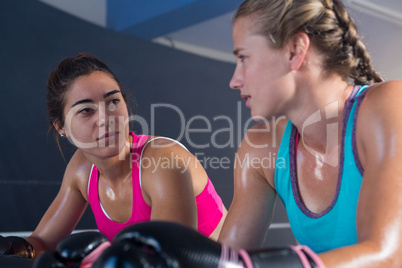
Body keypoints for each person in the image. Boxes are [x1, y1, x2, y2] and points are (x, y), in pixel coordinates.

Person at [216, 0, 402, 267]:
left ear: (295, 51)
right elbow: (227, 264)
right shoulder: (260, 148)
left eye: (243, 57)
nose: (235, 80)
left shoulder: (389, 104)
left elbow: (388, 255)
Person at [0, 53, 227, 261]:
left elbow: (169, 260)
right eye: (86, 110)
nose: (106, 118)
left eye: (113, 102)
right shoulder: (82, 170)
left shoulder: (161, 161)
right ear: (62, 127)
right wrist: (10, 247)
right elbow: (42, 243)